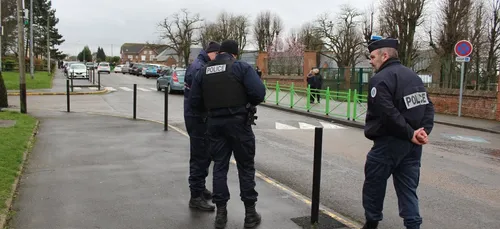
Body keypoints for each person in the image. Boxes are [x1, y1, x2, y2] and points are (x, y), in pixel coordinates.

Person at [189, 39, 266, 229]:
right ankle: (250, 214)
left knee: (219, 167)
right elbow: (259, 93)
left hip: (215, 125)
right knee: (246, 168)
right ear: (234, 54)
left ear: (220, 52)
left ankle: (221, 215)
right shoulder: (240, 67)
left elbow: (194, 102)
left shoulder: (204, 70)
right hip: (239, 124)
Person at [362, 36, 435, 229]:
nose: (371, 61)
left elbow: (387, 113)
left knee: (374, 184)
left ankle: (371, 223)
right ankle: (413, 225)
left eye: (372, 56)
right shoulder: (414, 77)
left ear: (384, 55)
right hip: (413, 146)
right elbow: (428, 107)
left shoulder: (380, 80)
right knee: (408, 189)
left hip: (388, 143)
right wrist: (422, 132)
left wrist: (411, 133)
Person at [184, 41, 220, 211]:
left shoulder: (200, 64)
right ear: (213, 53)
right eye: (218, 56)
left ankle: (200, 188)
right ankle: (195, 197)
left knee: (205, 155)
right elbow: (199, 98)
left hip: (198, 117)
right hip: (198, 118)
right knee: (199, 156)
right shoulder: (200, 68)